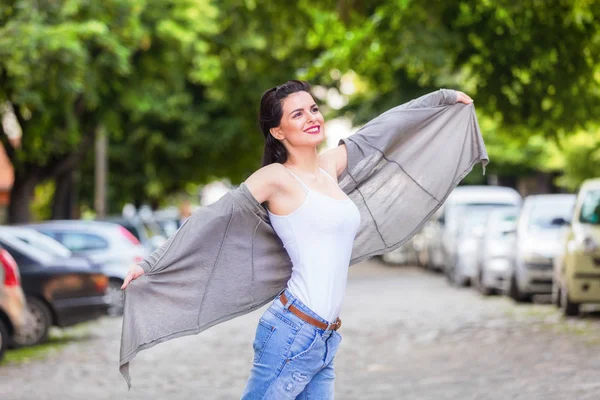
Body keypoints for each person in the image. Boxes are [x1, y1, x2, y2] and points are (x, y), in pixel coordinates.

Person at [121, 80, 473, 398]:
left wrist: (440, 99)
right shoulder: (276, 178)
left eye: (314, 109)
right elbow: (209, 218)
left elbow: (381, 131)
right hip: (292, 332)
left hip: (325, 337)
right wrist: (150, 263)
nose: (311, 118)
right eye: (298, 114)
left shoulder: (330, 166)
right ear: (277, 131)